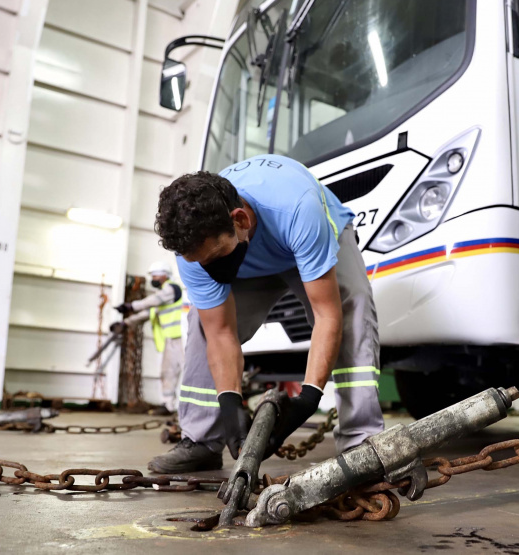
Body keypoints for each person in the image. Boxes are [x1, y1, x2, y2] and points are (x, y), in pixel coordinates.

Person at [147, 154, 385, 473]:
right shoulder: (193, 250)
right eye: (200, 262)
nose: (208, 269)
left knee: (349, 304)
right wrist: (230, 402)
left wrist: (308, 398)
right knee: (201, 324)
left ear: (241, 220)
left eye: (215, 256)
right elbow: (220, 332)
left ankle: (360, 439)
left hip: (306, 236)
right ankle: (202, 440)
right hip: (250, 258)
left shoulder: (298, 209)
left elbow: (327, 316)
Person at [116, 261, 184, 415]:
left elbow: (151, 302)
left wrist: (131, 306)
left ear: (165, 275)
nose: (153, 279)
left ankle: (188, 408)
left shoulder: (171, 289)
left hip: (181, 339)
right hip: (170, 340)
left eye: (156, 275)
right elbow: (147, 313)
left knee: (187, 372)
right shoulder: (163, 296)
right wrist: (125, 323)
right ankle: (168, 405)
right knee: (167, 373)